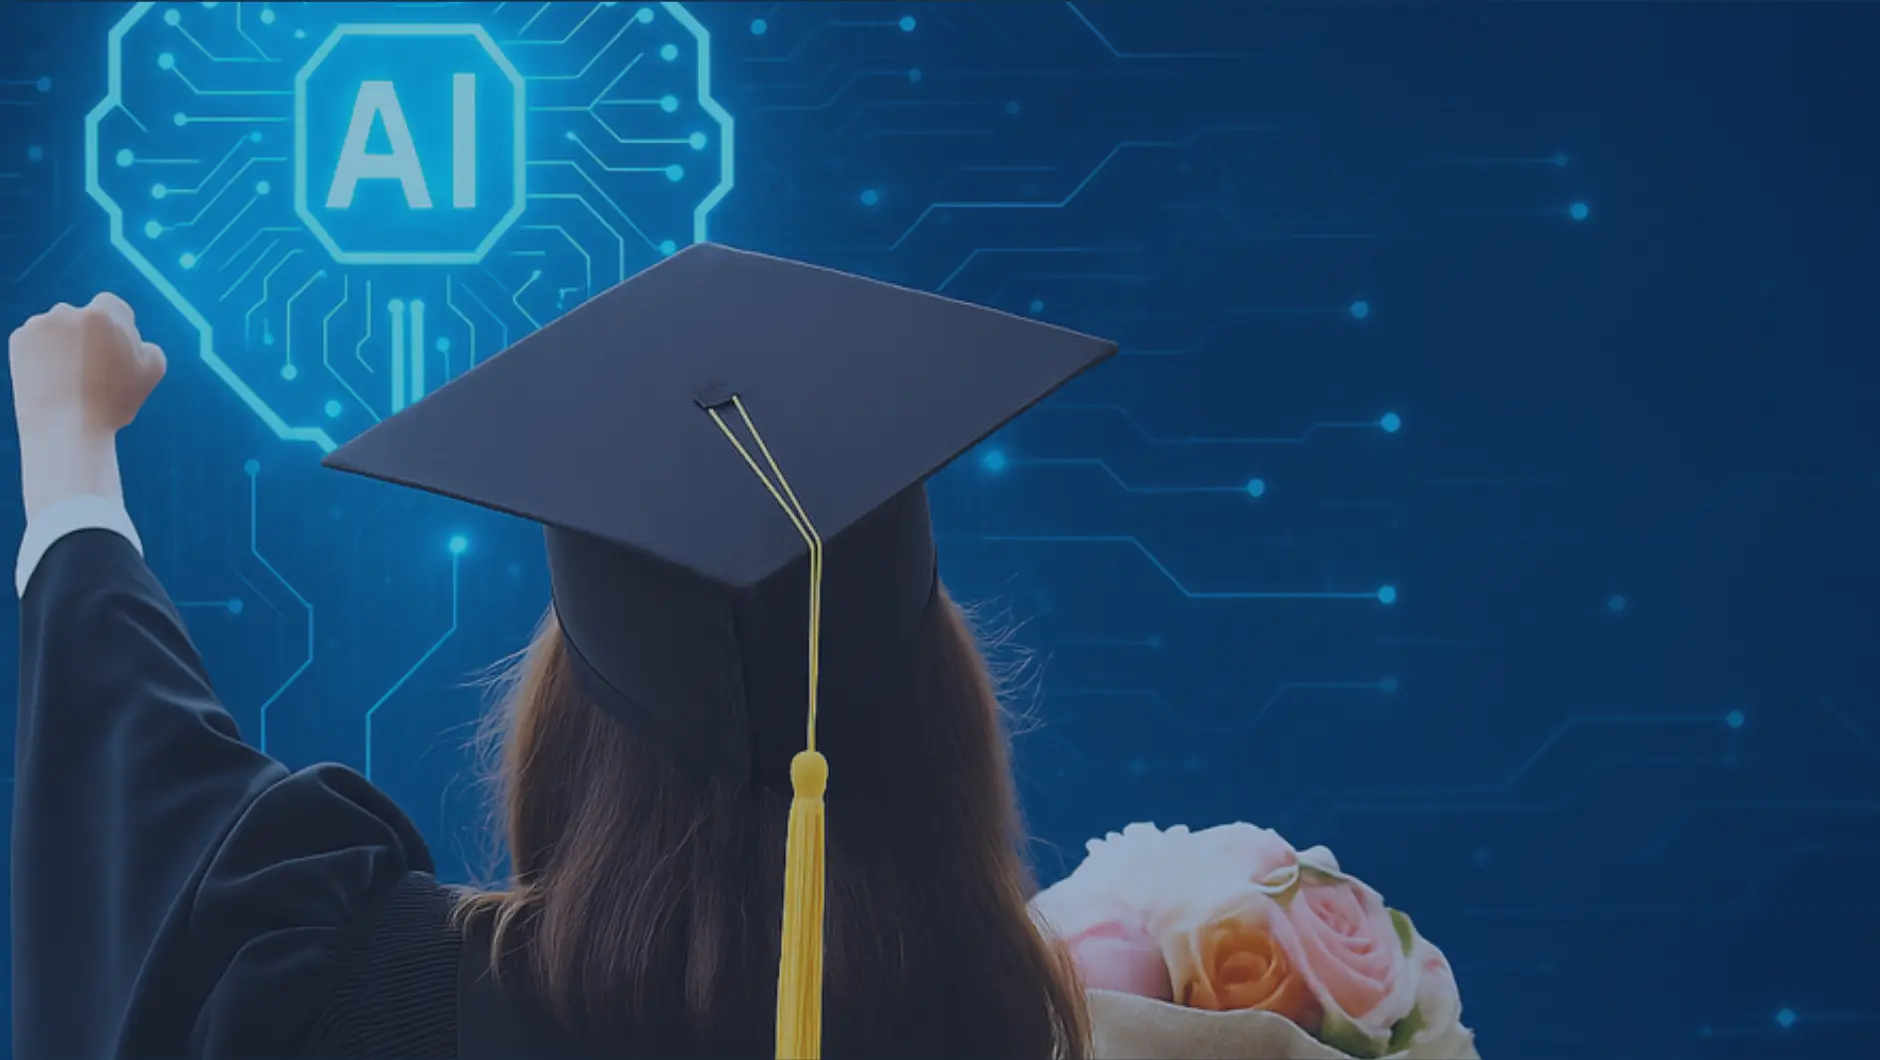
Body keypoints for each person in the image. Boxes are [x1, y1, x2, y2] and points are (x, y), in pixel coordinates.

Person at [8, 245, 1117, 1059]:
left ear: (567, 723)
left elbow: (143, 781)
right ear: (941, 726)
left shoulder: (356, 996)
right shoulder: (1032, 1023)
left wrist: (70, 443)